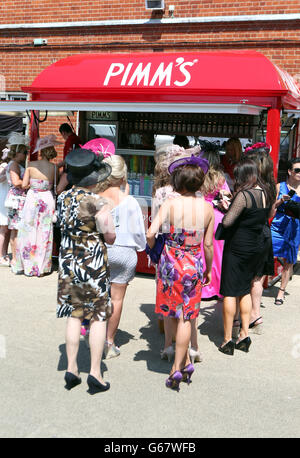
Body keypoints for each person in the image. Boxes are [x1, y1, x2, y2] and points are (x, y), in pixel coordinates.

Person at [147, 154, 214, 391]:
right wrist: (206, 270)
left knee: (170, 311)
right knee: (187, 315)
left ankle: (177, 366)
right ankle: (182, 363)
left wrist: (157, 253)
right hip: (193, 261)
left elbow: (150, 234)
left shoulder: (170, 204)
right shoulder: (207, 208)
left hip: (171, 261)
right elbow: (208, 244)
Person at [56, 148, 115, 394]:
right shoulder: (97, 203)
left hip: (69, 260)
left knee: (74, 314)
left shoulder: (62, 198)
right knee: (98, 316)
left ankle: (71, 368)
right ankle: (95, 372)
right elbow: (110, 236)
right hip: (93, 262)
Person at [218, 158, 274, 356]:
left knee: (230, 292)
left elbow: (227, 222)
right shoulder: (266, 192)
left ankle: (227, 340)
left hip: (237, 248)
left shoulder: (244, 194)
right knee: (245, 291)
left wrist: (225, 207)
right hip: (255, 247)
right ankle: (244, 335)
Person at [97, 155, 146, 358]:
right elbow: (139, 234)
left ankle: (93, 335)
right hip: (125, 251)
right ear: (122, 175)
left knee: (98, 296)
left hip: (102, 249)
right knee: (117, 299)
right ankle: (109, 342)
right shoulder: (131, 201)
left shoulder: (98, 198)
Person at [151, 143, 190, 362]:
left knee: (166, 293)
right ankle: (185, 343)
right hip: (188, 248)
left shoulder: (161, 193)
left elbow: (156, 226)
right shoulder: (194, 196)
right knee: (186, 300)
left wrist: (151, 245)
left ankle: (168, 343)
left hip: (167, 244)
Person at [11, 135, 60, 277]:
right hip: (47, 198)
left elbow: (25, 184)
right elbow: (55, 187)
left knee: (28, 229)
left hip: (33, 198)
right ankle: (42, 266)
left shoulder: (31, 165)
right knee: (44, 231)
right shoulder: (54, 167)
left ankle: (27, 265)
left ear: (41, 151)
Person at [244, 142, 277, 331]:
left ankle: (247, 315)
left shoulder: (250, 188)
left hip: (250, 235)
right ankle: (256, 313)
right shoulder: (272, 186)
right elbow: (271, 214)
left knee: (248, 277)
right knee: (258, 277)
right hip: (265, 232)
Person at [270, 158, 300, 305]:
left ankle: (281, 292)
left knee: (289, 261)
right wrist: (281, 200)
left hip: (295, 227)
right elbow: (272, 208)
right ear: (290, 171)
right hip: (278, 225)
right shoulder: (279, 186)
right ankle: (258, 283)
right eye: (297, 170)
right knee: (267, 254)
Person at [5, 132, 29, 268]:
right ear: (17, 152)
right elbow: (16, 182)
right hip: (17, 199)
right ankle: (15, 258)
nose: (26, 155)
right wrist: (31, 183)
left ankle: (17, 257)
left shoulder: (17, 164)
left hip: (20, 198)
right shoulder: (13, 164)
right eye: (24, 152)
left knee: (18, 229)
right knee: (15, 229)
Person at [0, 148, 11, 266]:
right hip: (3, 198)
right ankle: (1, 255)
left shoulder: (9, 165)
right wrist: (7, 174)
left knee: (7, 229)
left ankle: (5, 253)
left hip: (7, 197)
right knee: (3, 229)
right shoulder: (4, 165)